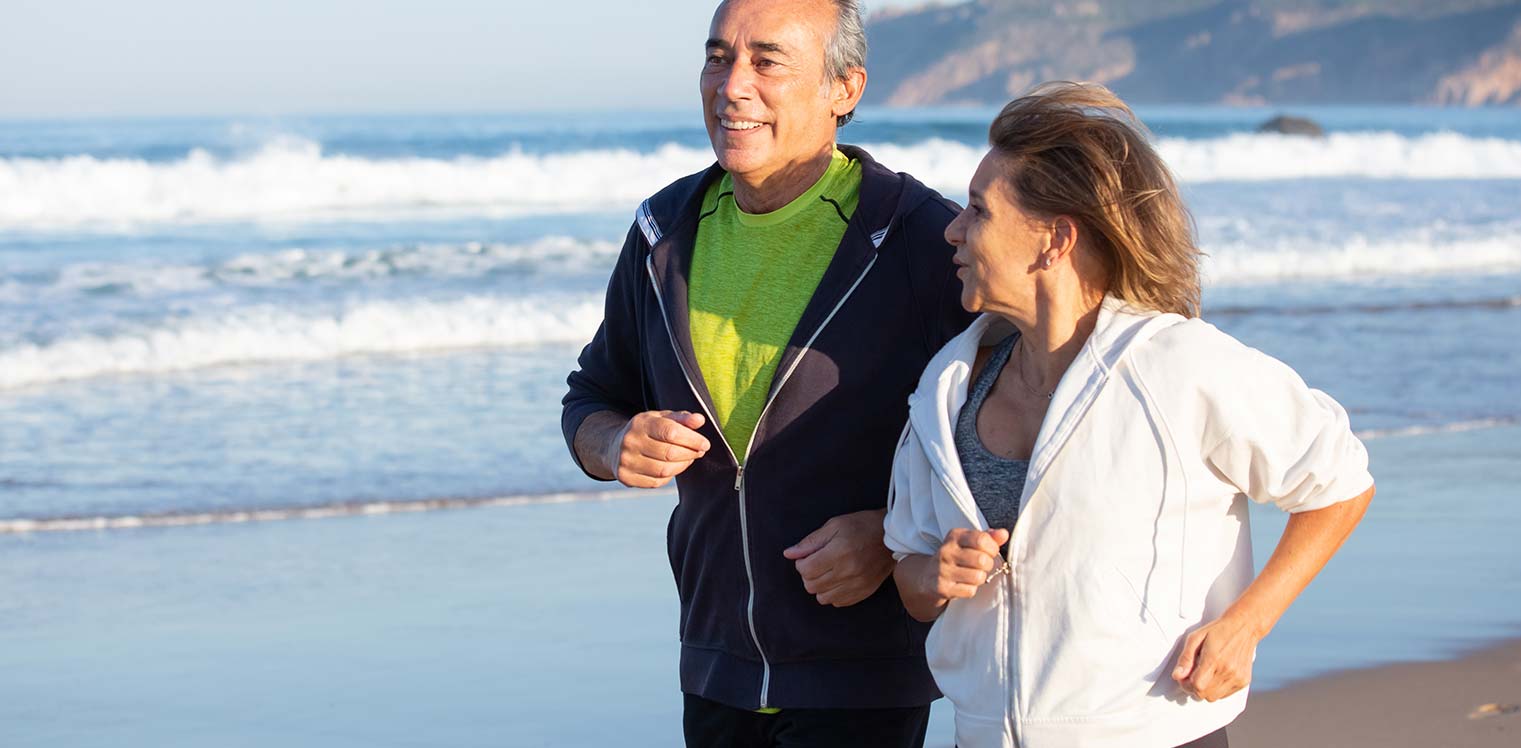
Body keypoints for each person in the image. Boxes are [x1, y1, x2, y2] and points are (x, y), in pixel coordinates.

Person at [883, 82, 1376, 748]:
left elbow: (1338, 480)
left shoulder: (1177, 366)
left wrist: (1247, 624)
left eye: (978, 210)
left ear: (1054, 238)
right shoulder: (947, 387)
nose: (953, 229)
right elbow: (910, 574)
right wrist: (936, 573)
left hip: (1152, 732)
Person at [560, 0, 972, 745]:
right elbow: (593, 396)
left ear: (844, 88)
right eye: (718, 57)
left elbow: (1019, 433)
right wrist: (615, 443)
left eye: (766, 61)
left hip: (862, 676)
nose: (732, 85)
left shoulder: (920, 236)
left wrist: (892, 536)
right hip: (714, 662)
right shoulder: (663, 232)